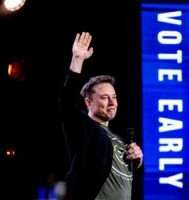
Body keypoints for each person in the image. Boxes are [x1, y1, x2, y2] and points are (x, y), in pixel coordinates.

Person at [59, 32, 143, 200]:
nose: (112, 102)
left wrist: (138, 161)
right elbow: (66, 101)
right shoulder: (84, 128)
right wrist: (77, 59)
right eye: (105, 98)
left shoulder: (119, 139)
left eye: (115, 97)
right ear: (88, 103)